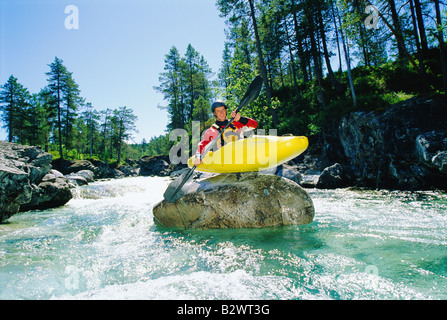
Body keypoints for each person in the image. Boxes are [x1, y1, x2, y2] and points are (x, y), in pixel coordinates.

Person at [194, 101, 258, 165]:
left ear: (226, 111)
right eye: (218, 111)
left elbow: (255, 125)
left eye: (223, 110)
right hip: (224, 161)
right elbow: (201, 146)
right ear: (214, 113)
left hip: (241, 157)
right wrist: (198, 157)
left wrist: (240, 118)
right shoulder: (211, 131)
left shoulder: (236, 123)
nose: (221, 113)